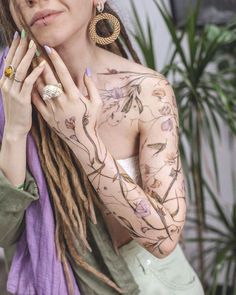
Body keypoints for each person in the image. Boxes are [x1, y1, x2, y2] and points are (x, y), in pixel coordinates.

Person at [0, 0, 205, 294]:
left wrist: (81, 139)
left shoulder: (146, 91)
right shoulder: (8, 94)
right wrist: (15, 132)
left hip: (148, 282)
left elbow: (164, 238)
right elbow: (5, 233)